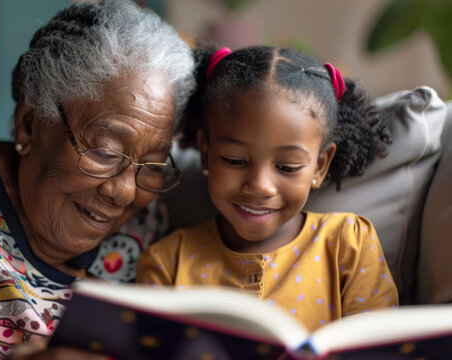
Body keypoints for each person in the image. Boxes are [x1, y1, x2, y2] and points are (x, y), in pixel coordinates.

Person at [0, 0, 195, 358]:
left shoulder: (145, 228)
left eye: (151, 164)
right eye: (105, 152)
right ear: (30, 123)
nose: (124, 192)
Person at [137, 45, 399, 331]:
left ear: (320, 166)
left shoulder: (347, 244)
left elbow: (381, 347)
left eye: (287, 167)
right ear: (205, 152)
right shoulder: (167, 264)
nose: (260, 186)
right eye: (235, 160)